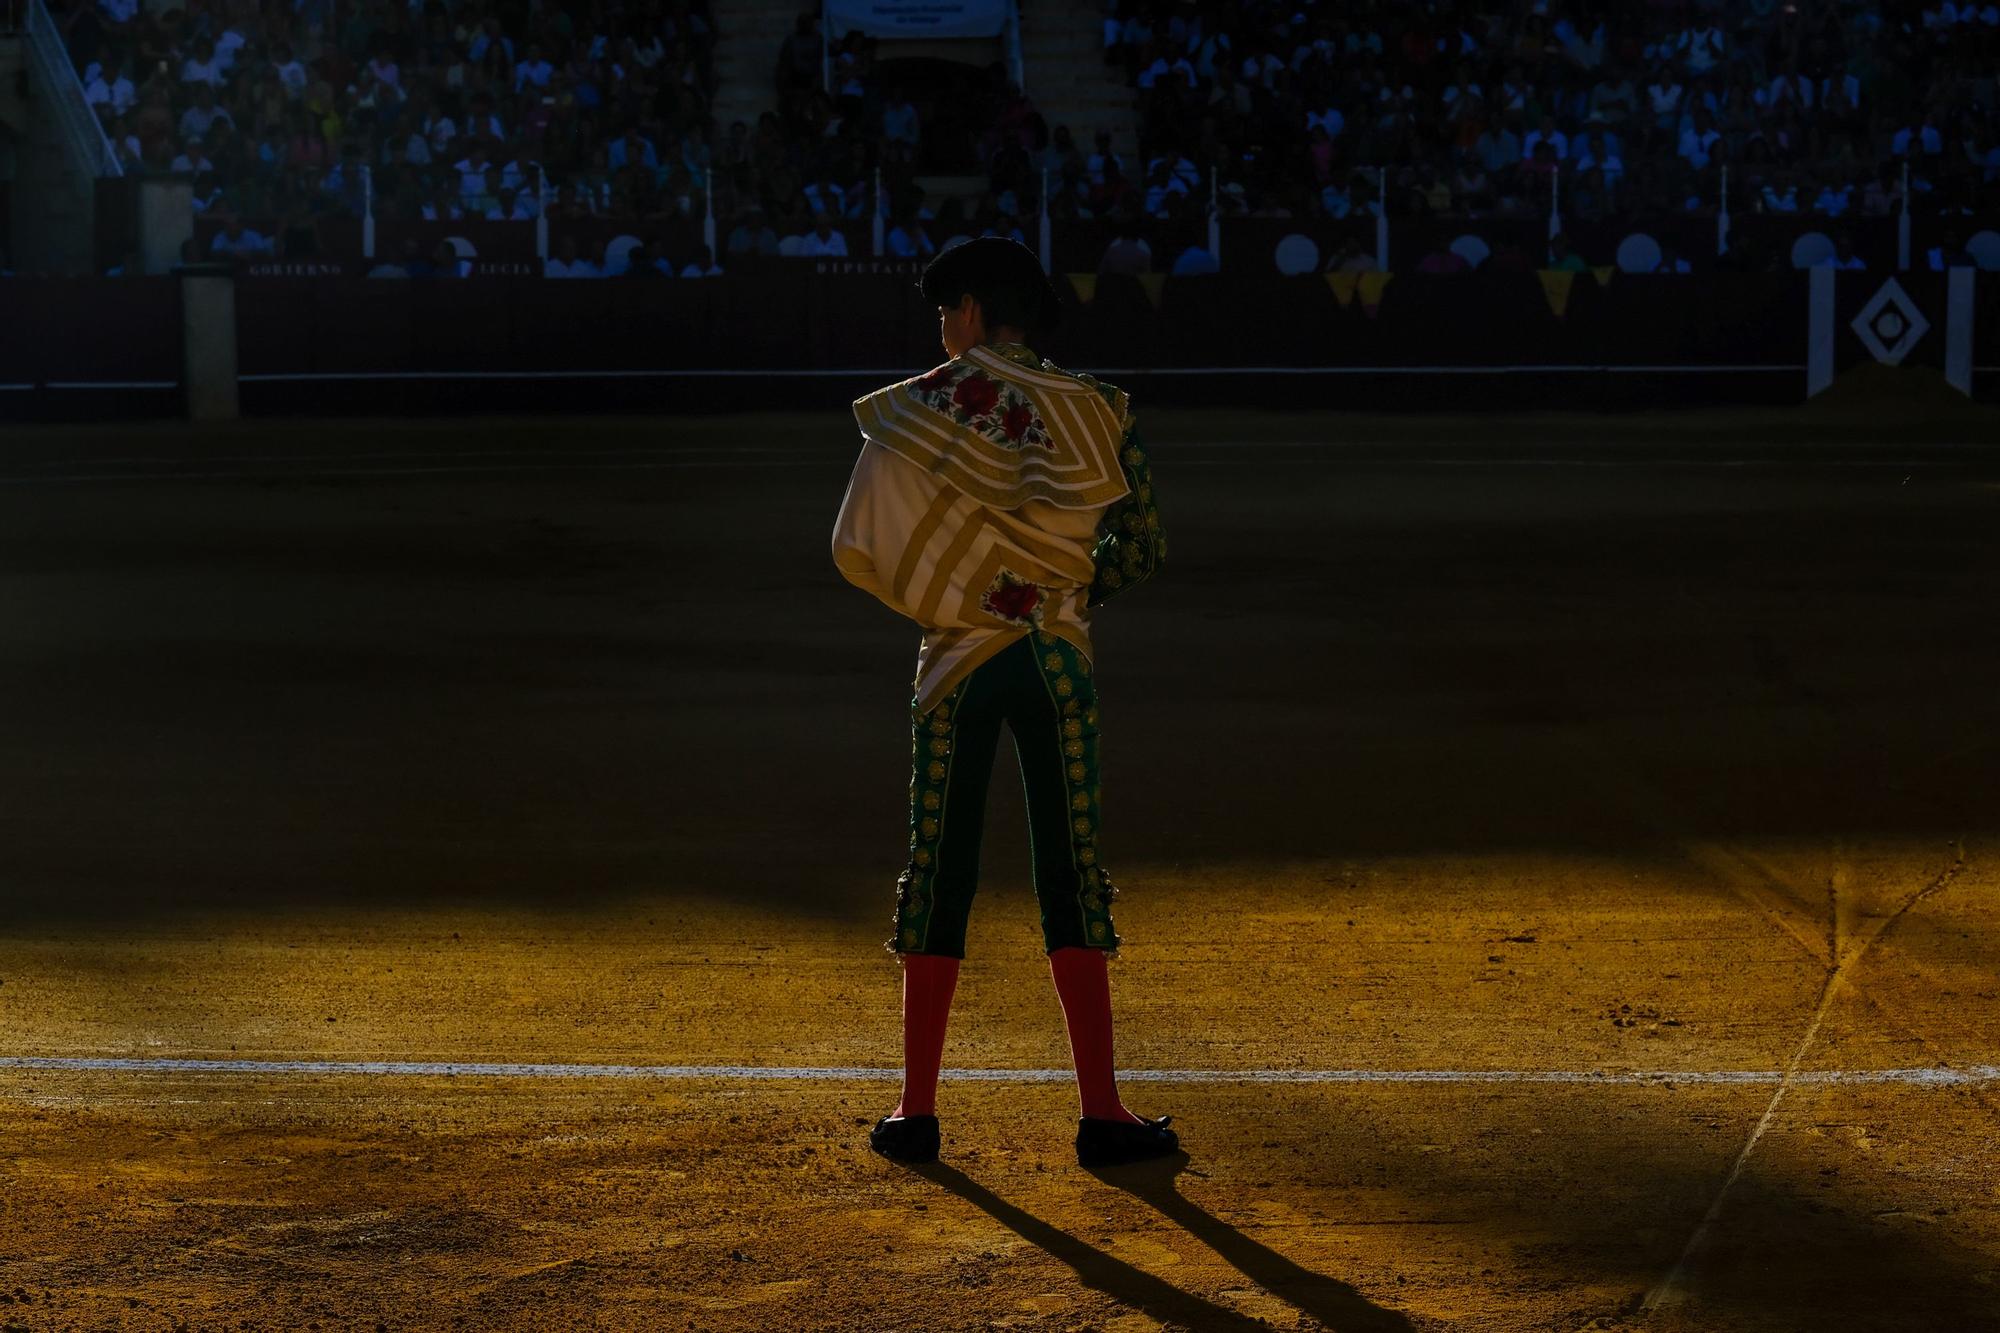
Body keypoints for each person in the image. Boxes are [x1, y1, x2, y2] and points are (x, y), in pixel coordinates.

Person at [832, 237, 1176, 1170]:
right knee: (1073, 868)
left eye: (948, 313)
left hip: (955, 663)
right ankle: (1102, 1112)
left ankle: (916, 1111)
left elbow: (861, 543)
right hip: (1056, 661)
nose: (942, 332)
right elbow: (1139, 546)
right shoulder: (1101, 410)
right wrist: (1058, 598)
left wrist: (958, 601)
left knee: (937, 865)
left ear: (975, 311)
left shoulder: (919, 409)